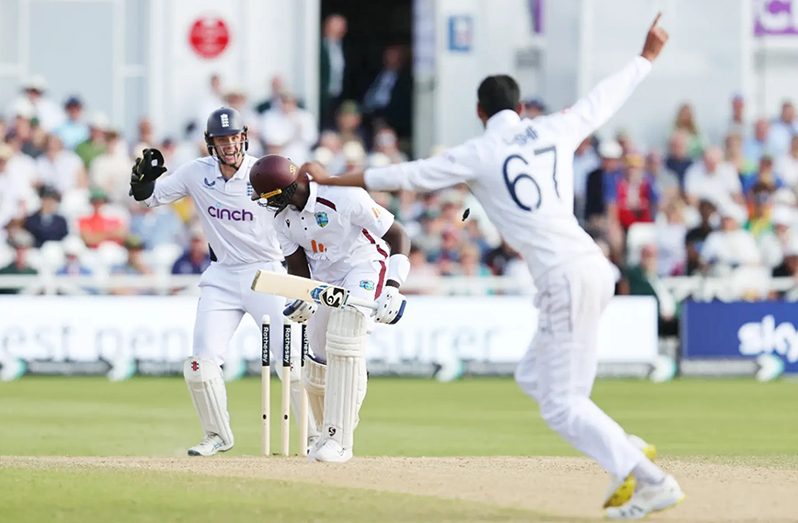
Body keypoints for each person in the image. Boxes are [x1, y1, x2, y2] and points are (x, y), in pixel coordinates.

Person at [302, 14, 683, 520]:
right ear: (521, 108)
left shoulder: (479, 152)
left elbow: (402, 174)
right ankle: (624, 446)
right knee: (533, 376)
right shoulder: (554, 128)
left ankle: (649, 480)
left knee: (562, 405)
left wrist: (333, 177)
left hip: (565, 276)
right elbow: (603, 99)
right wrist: (646, 56)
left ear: (479, 111)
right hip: (592, 266)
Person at [128, 107, 312, 456]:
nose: (229, 145)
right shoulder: (197, 173)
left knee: (289, 363)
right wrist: (142, 182)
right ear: (210, 143)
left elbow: (300, 213)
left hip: (268, 272)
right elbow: (151, 198)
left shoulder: (265, 172)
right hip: (223, 275)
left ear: (243, 136)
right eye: (221, 140)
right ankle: (216, 435)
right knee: (201, 363)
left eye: (233, 138)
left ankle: (316, 437)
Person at [248, 155, 410, 463]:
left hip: (363, 266)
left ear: (281, 191)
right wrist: (301, 298)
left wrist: (393, 286)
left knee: (345, 338)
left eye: (265, 197)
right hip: (324, 280)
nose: (264, 204)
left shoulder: (343, 196)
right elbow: (298, 269)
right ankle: (327, 432)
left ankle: (340, 439)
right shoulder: (281, 220)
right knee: (318, 361)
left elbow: (398, 235)